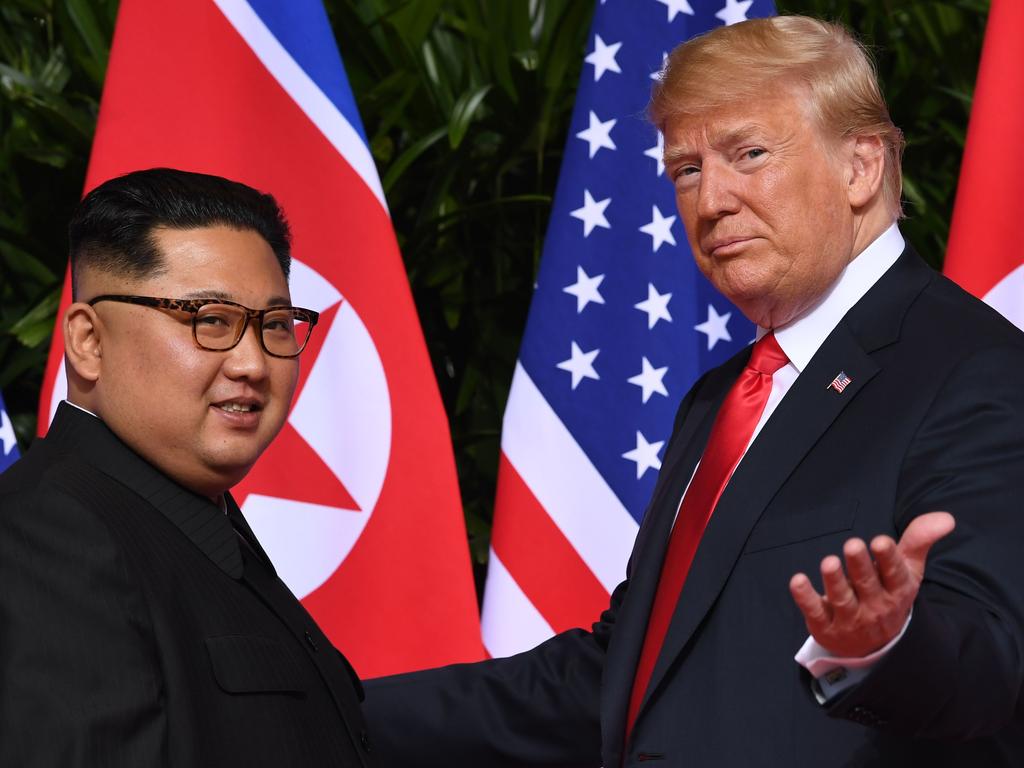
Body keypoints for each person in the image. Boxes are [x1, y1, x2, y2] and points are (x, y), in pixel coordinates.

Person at [362, 15, 1024, 767]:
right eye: (686, 169)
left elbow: (993, 664)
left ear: (861, 168)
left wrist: (888, 644)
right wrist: (332, 714)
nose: (711, 201)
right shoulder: (720, 397)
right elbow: (628, 678)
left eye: (749, 154)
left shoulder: (978, 370)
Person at [0, 168, 375, 767]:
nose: (253, 362)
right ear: (89, 342)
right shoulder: (47, 538)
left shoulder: (186, 516)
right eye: (210, 320)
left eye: (275, 325)